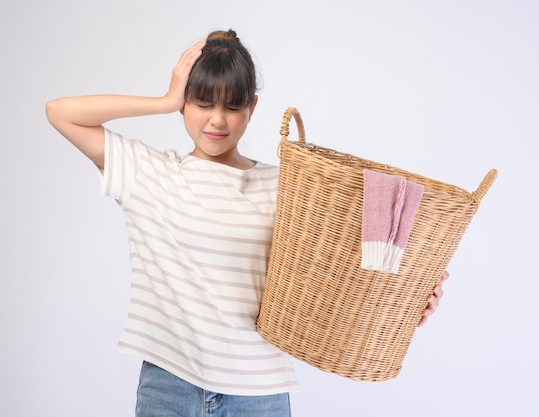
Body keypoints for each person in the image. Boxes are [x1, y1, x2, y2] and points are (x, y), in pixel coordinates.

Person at [45, 29, 448, 417]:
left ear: (251, 108)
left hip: (260, 393)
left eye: (232, 107)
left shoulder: (286, 184)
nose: (217, 120)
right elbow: (60, 112)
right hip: (169, 385)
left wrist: (409, 296)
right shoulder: (147, 172)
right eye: (203, 103)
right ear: (186, 103)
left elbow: (339, 264)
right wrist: (165, 99)